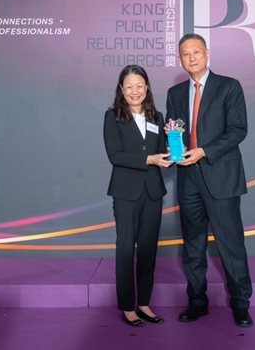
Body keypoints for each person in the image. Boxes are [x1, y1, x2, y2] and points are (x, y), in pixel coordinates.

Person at [165, 33, 253, 327]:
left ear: (207, 53)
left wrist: (204, 151)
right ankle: (197, 301)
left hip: (221, 176)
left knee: (230, 244)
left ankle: (241, 304)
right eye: (185, 53)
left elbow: (238, 129)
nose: (191, 57)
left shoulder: (229, 86)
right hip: (187, 177)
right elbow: (176, 130)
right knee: (193, 245)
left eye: (196, 51)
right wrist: (172, 142)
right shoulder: (175, 93)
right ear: (179, 59)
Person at [103, 65, 173, 326]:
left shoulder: (157, 116)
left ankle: (144, 303)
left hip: (153, 192)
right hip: (126, 193)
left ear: (147, 88)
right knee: (125, 250)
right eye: (129, 86)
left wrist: (173, 144)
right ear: (121, 89)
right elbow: (115, 156)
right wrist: (149, 159)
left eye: (140, 85)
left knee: (148, 249)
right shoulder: (113, 116)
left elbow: (163, 155)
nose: (135, 91)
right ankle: (127, 306)